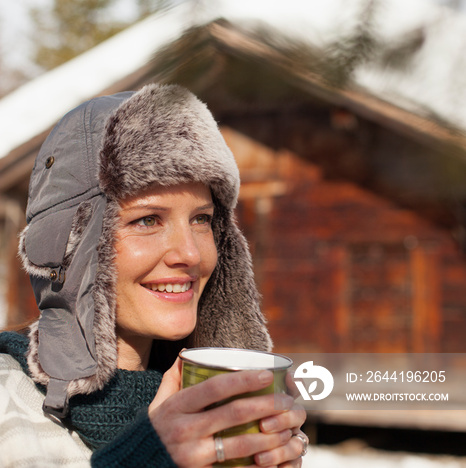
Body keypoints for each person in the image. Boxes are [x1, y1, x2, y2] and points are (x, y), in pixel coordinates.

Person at [0, 83, 307, 467]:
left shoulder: (212, 409)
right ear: (71, 247)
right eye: (147, 219)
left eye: (202, 219)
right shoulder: (8, 409)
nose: (191, 253)